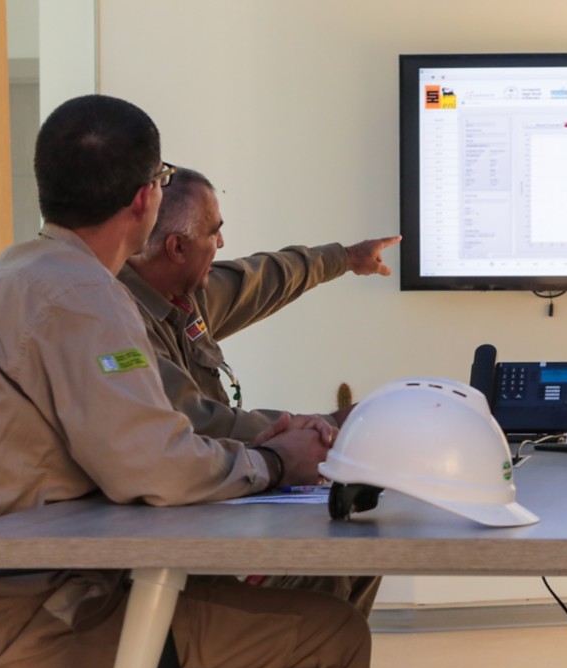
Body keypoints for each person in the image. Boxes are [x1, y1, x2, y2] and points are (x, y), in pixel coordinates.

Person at [0, 95, 370, 668]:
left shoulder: (7, 276)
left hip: (9, 587)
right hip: (17, 614)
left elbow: (251, 282)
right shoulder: (79, 297)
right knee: (331, 638)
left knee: (307, 589)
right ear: (147, 198)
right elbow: (152, 466)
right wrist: (278, 462)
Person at [119, 166, 397, 614]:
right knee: (334, 557)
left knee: (362, 546)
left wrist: (345, 257)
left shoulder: (183, 292)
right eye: (215, 233)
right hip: (165, 544)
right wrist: (327, 426)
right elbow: (199, 419)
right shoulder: (118, 320)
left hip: (208, 510)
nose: (222, 245)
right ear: (176, 247)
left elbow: (263, 277)